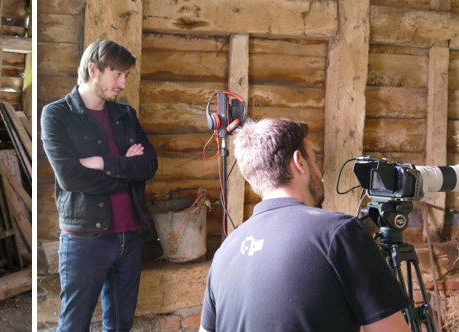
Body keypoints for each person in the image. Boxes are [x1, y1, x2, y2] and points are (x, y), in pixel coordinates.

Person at [200, 118, 410, 332]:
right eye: (315, 160)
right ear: (299, 162)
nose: (319, 172)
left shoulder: (225, 252)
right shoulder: (338, 233)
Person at [40, 39, 158, 331]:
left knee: (120, 326)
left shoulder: (125, 115)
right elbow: (71, 178)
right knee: (74, 325)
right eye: (117, 74)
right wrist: (125, 170)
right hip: (84, 239)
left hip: (129, 236)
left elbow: (148, 165)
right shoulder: (56, 115)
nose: (123, 83)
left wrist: (103, 162)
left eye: (126, 76)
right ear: (93, 69)